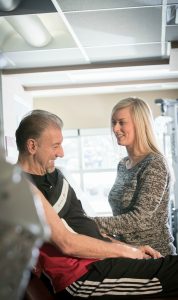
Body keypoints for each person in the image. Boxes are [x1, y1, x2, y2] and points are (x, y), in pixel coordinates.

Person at [15, 109, 178, 299]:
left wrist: (131, 249)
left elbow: (85, 225)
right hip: (80, 277)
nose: (61, 152)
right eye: (55, 146)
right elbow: (67, 243)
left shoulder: (56, 176)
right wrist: (128, 251)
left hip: (98, 262)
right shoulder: (21, 188)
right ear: (32, 146)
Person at [94, 97, 177, 256]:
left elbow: (139, 219)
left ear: (140, 124)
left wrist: (89, 223)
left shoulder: (154, 163)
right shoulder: (123, 165)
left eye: (121, 122)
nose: (115, 128)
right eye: (113, 122)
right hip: (130, 253)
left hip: (156, 257)